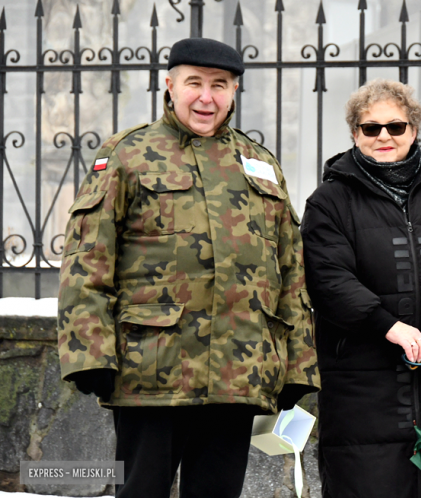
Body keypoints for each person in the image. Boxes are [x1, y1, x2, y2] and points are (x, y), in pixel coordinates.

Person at [57, 37, 319, 498]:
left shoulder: (259, 164)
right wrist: (89, 353)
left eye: (219, 85)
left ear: (235, 91)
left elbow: (289, 273)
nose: (206, 97)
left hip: (238, 374)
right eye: (194, 83)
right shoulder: (127, 154)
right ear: (170, 86)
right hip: (151, 372)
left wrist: (297, 367)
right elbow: (87, 259)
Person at [301, 79, 421, 498]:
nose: (384, 136)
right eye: (371, 128)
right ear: (355, 133)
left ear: (414, 130)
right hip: (361, 389)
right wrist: (391, 327)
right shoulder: (328, 201)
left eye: (396, 126)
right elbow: (328, 278)